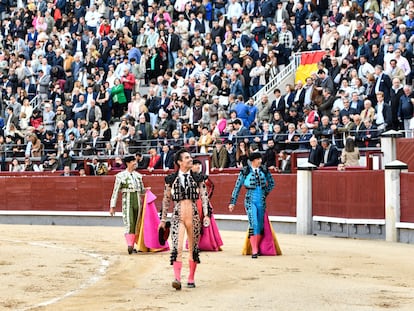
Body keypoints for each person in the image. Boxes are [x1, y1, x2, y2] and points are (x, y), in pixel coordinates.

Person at [159, 149, 210, 290]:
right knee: (177, 247)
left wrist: (206, 214)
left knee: (194, 248)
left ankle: (191, 277)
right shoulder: (171, 179)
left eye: (190, 157)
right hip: (177, 215)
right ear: (179, 162)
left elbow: (204, 197)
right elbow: (165, 200)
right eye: (187, 157)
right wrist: (163, 220)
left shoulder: (198, 178)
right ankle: (176, 278)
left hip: (193, 215)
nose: (190, 159)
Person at [109, 155, 167, 254]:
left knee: (136, 224)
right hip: (127, 201)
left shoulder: (138, 176)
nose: (135, 163)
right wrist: (112, 206)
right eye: (133, 161)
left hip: (138, 202)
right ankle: (130, 245)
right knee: (130, 223)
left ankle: (134, 244)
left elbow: (141, 191)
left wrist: (147, 191)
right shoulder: (120, 176)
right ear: (128, 163)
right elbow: (115, 191)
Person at [228, 152, 282, 259]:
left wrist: (264, 194)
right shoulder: (245, 171)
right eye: (258, 159)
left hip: (261, 201)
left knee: (260, 226)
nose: (260, 161)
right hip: (250, 199)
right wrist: (232, 202)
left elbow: (272, 183)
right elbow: (237, 187)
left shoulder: (264, 170)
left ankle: (257, 247)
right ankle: (254, 250)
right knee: (254, 224)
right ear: (253, 161)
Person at [191, 159, 223, 251]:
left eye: (198, 165)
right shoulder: (188, 177)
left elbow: (211, 186)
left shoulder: (203, 177)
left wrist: (206, 198)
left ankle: (204, 243)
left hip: (201, 202)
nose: (197, 166)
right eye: (195, 165)